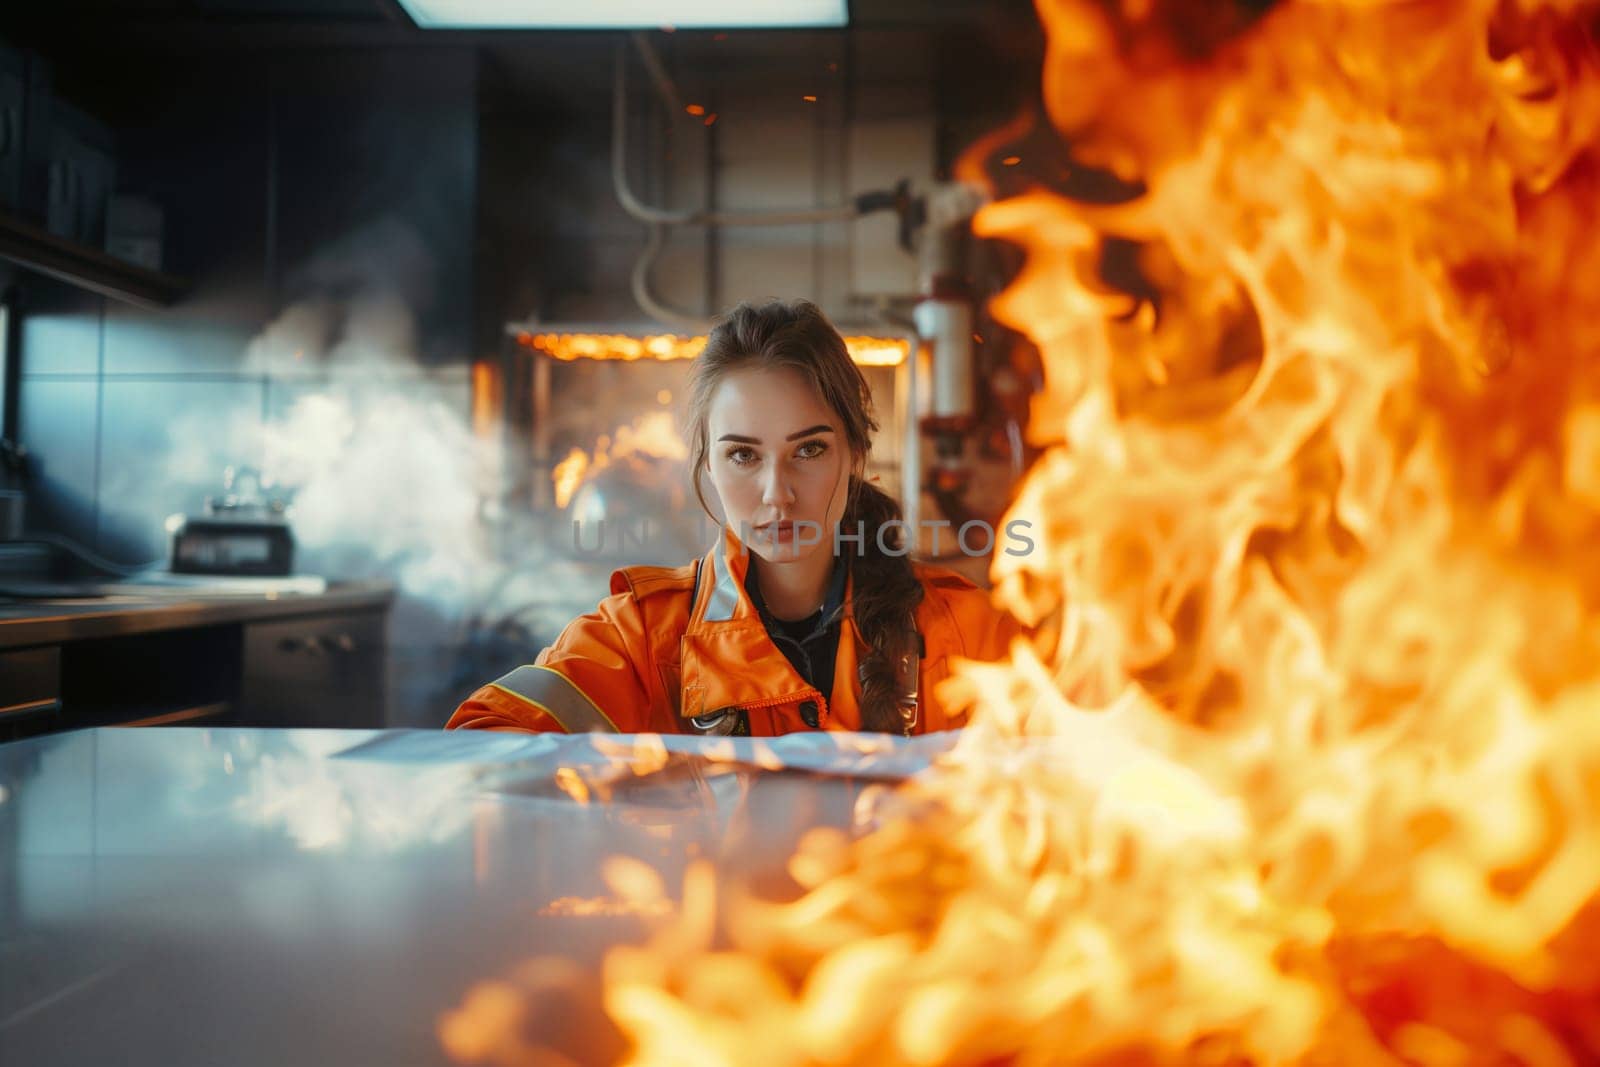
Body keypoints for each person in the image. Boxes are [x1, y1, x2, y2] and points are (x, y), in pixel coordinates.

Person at [446, 299, 1021, 738]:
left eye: (810, 450)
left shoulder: (964, 631)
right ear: (708, 466)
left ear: (854, 456)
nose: (778, 494)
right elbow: (483, 744)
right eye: (744, 455)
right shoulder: (644, 639)